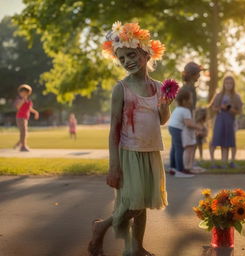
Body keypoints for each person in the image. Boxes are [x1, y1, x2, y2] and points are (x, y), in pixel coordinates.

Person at [88, 21, 170, 256]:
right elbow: (113, 129)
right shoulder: (121, 89)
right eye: (122, 59)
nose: (128, 62)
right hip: (129, 152)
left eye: (131, 55)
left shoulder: (158, 87)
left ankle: (136, 248)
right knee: (132, 204)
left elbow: (163, 119)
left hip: (151, 150)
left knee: (142, 203)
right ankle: (100, 227)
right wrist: (114, 165)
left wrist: (165, 105)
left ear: (145, 53)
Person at [209, 76, 243, 168]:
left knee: (228, 142)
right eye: (226, 83)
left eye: (230, 83)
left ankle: (225, 163)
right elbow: (212, 107)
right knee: (215, 140)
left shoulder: (236, 96)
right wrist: (220, 108)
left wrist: (230, 109)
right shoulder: (218, 95)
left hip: (230, 121)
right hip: (219, 121)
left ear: (233, 84)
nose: (228, 85)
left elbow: (239, 111)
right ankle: (213, 162)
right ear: (223, 84)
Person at [168, 90, 202, 178]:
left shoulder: (178, 108)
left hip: (172, 127)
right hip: (177, 129)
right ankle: (180, 170)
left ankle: (173, 168)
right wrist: (198, 127)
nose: (192, 100)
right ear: (184, 101)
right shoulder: (185, 110)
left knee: (174, 148)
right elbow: (188, 124)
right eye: (190, 98)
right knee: (179, 149)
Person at [14, 84, 39, 152]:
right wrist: (23, 100)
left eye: (26, 93)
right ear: (20, 92)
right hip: (20, 117)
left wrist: (36, 112)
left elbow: (30, 109)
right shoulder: (19, 99)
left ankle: (20, 143)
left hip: (25, 118)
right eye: (23, 92)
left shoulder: (29, 101)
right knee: (23, 132)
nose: (25, 94)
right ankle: (23, 146)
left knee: (25, 132)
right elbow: (18, 107)